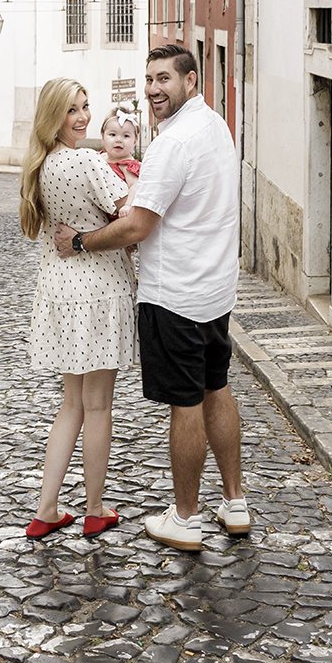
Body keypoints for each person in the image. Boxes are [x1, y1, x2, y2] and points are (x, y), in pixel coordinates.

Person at [54, 44, 247, 552]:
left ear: (191, 80)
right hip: (214, 288)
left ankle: (184, 518)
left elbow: (137, 225)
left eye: (165, 78)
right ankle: (235, 501)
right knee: (216, 387)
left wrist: (79, 242)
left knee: (185, 405)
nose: (154, 89)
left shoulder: (171, 144)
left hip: (176, 294)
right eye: (149, 79)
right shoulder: (215, 126)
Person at [20, 77, 135, 540]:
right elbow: (129, 214)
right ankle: (93, 507)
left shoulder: (41, 166)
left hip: (60, 293)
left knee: (70, 405)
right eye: (72, 110)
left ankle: (46, 508)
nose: (84, 117)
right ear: (54, 116)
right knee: (99, 406)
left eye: (86, 106)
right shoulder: (87, 160)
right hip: (100, 291)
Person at [100, 102, 143, 186]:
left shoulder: (127, 166)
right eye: (112, 134)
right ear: (103, 136)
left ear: (135, 141)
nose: (119, 140)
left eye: (126, 136)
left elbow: (134, 188)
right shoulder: (99, 157)